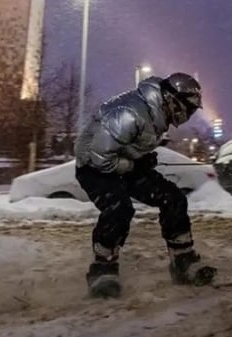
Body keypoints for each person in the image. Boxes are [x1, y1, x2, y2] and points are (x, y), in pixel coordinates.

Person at [74, 72, 216, 298]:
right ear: (172, 100)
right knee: (118, 210)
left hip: (122, 163)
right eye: (187, 109)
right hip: (94, 168)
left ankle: (183, 262)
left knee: (173, 198)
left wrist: (140, 160)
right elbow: (100, 157)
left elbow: (128, 147)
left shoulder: (157, 114)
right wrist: (134, 164)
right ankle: (102, 271)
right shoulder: (129, 113)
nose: (187, 116)